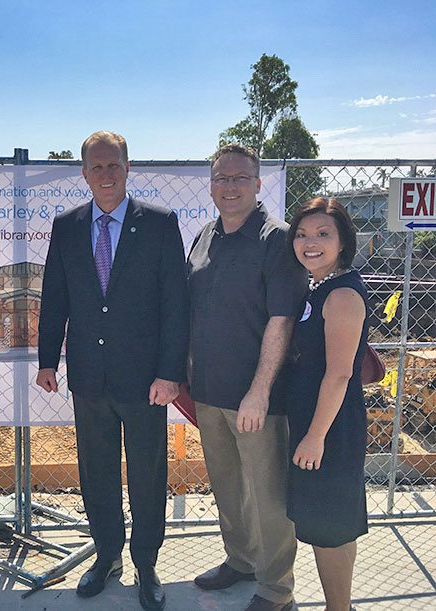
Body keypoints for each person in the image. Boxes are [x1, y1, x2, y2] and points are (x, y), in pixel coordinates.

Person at [36, 131, 189, 611]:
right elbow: (55, 296)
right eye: (97, 166)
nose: (106, 174)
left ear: (128, 168)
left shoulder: (160, 223)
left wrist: (169, 372)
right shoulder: (67, 226)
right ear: (84, 173)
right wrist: (47, 360)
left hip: (146, 382)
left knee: (147, 474)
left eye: (114, 165)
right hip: (89, 378)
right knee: (97, 472)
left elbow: (176, 303)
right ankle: (107, 556)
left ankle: (146, 563)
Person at [186, 144, 307, 611]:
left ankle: (277, 589)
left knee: (268, 496)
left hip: (258, 398)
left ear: (257, 184)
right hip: (209, 393)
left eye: (239, 178)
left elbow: (282, 319)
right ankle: (240, 560)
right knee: (228, 486)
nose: (230, 186)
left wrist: (259, 391)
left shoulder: (277, 240)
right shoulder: (204, 236)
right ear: (211, 186)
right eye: (221, 178)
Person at [285, 198, 368, 611]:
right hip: (315, 418)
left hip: (331, 427)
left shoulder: (342, 296)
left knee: (330, 528)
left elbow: (339, 374)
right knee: (331, 525)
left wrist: (315, 436)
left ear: (343, 241)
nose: (310, 242)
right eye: (301, 234)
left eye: (322, 234)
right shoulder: (318, 286)